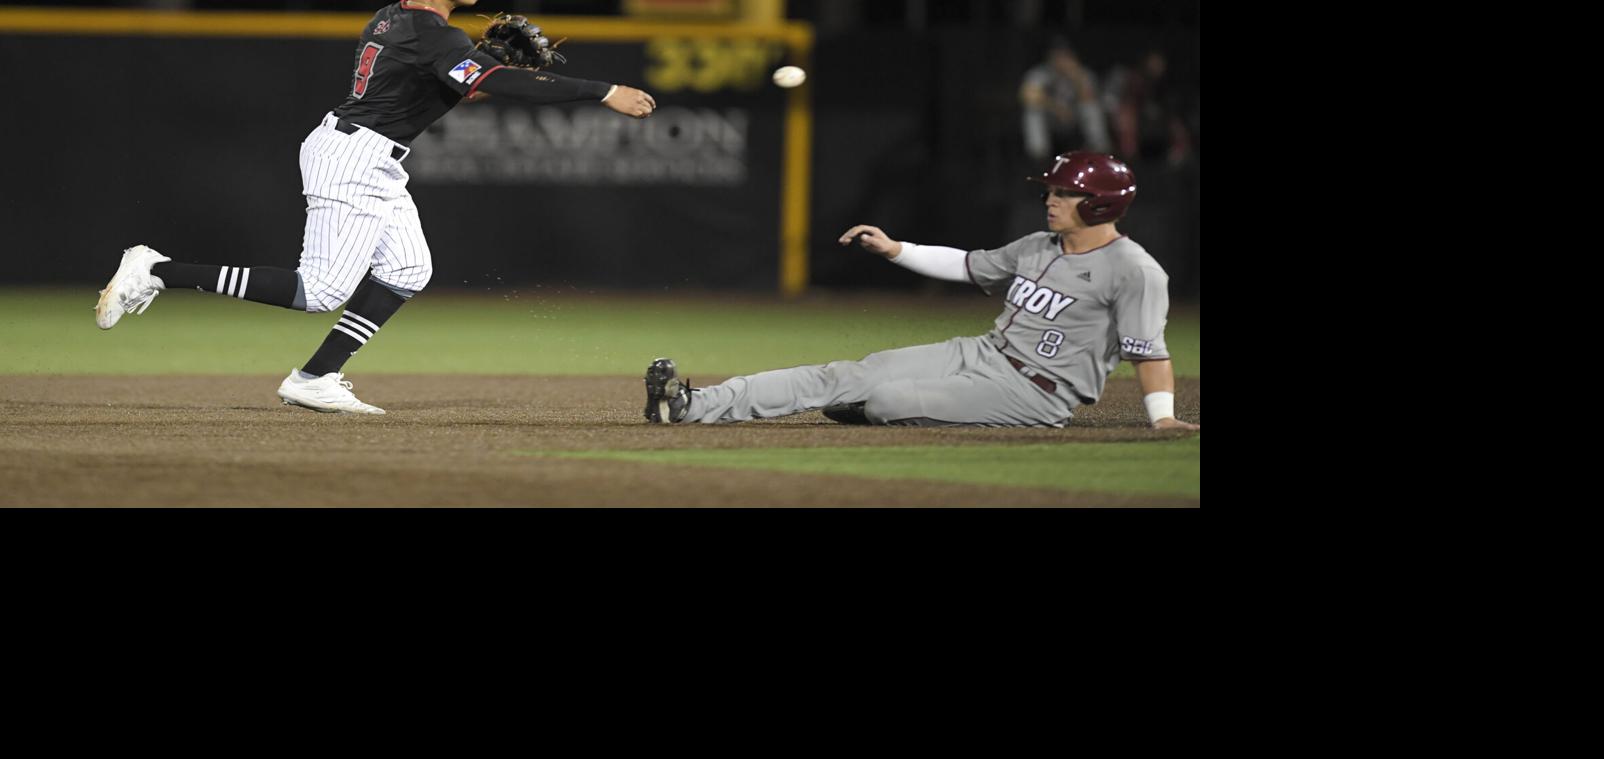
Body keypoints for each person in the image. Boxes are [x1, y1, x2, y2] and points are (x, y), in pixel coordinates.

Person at [93, 0, 657, 414]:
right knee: (318, 291)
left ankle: (316, 376)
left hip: (371, 155)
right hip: (354, 158)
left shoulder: (396, 19)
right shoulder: (432, 32)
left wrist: (476, 71)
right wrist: (601, 91)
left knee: (409, 268)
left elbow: (453, 82)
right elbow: (479, 78)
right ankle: (156, 270)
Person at [644, 151, 1198, 431]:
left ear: (1100, 204)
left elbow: (1149, 351)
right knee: (845, 375)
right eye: (1050, 190)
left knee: (883, 400)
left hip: (1038, 393)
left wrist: (1162, 417)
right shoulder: (1038, 245)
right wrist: (896, 250)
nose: (1050, 200)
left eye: (1063, 193)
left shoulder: (1135, 270)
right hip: (983, 353)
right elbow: (967, 264)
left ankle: (874, 408)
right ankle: (693, 406)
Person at [1020, 38, 1110, 165]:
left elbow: (1089, 98)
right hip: (1052, 119)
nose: (1061, 59)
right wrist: (1057, 108)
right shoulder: (1041, 73)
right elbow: (1028, 95)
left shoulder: (1082, 73)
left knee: (1091, 108)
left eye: (1065, 55)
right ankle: (1038, 156)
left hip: (1074, 118)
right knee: (1033, 111)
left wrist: (1076, 77)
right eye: (1057, 55)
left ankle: (1099, 153)